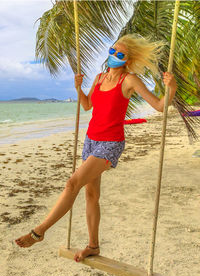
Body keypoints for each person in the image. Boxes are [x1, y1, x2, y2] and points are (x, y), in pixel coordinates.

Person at [15, 34, 177, 262]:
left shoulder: (129, 81)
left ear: (127, 61)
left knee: (72, 183)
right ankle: (93, 246)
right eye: (112, 51)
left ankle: (39, 231)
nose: (114, 56)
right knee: (91, 194)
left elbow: (160, 106)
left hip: (110, 143)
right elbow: (87, 105)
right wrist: (78, 88)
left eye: (120, 55)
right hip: (91, 140)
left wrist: (172, 87)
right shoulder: (100, 78)